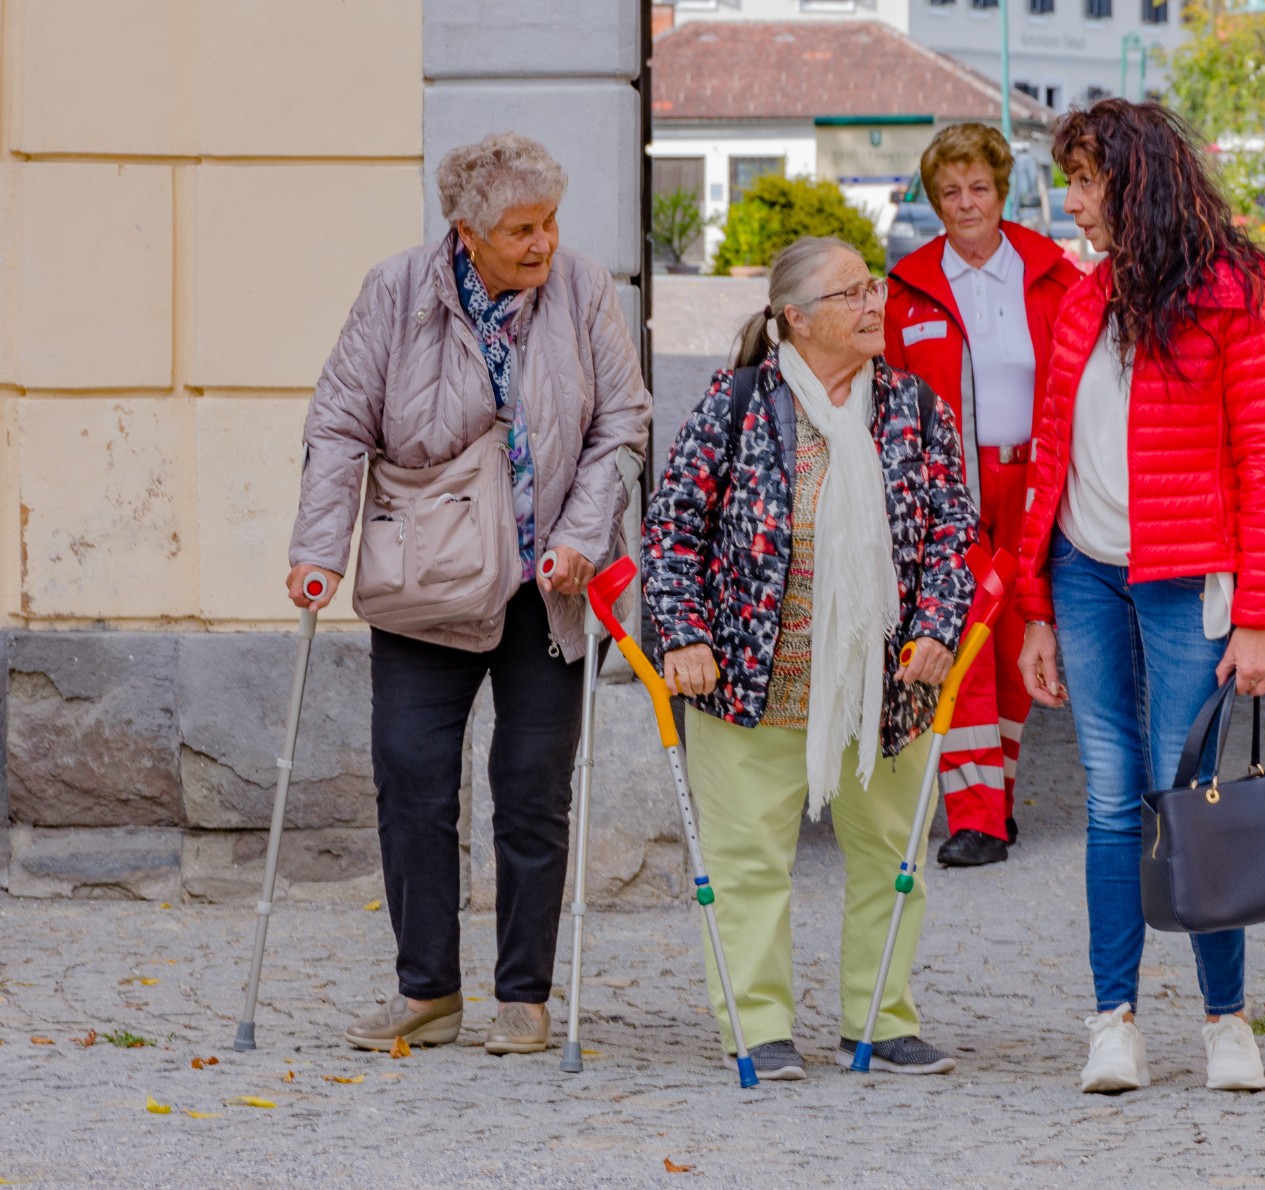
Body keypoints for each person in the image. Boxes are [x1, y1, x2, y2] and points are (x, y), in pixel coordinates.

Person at [285, 133, 652, 1055]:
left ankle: (524, 995)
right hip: (426, 580)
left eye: (550, 222)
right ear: (467, 232)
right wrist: (318, 551)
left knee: (532, 790)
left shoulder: (583, 290)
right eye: (521, 229)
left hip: (546, 589)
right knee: (412, 783)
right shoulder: (396, 291)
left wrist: (580, 539)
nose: (543, 243)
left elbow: (622, 424)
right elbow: (338, 423)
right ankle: (428, 991)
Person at [642, 236, 977, 1081]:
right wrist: (683, 633)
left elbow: (953, 533)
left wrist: (939, 625)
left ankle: (882, 1020)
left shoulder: (915, 407)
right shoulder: (736, 403)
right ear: (795, 317)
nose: (873, 305)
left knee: (893, 863)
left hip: (882, 685)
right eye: (850, 294)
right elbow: (672, 527)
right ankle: (758, 1026)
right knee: (747, 864)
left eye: (874, 288)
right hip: (749, 681)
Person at [1015, 100, 1265, 1095]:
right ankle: (1115, 1022)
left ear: (1135, 182)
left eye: (1085, 181)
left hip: (1188, 579)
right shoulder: (1083, 298)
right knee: (1109, 795)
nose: (1072, 202)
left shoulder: (1236, 294)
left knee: (1190, 801)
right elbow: (1051, 456)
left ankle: (1227, 1021)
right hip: (1086, 572)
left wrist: (1259, 615)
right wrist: (1037, 606)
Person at [884, 123, 1083, 868]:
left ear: (1002, 192)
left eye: (978, 188)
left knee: (1017, 643)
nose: (965, 203)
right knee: (960, 637)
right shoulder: (907, 292)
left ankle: (995, 797)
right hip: (949, 493)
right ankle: (976, 819)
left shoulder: (1054, 277)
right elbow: (890, 404)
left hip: (1035, 485)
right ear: (934, 202)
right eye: (950, 192)